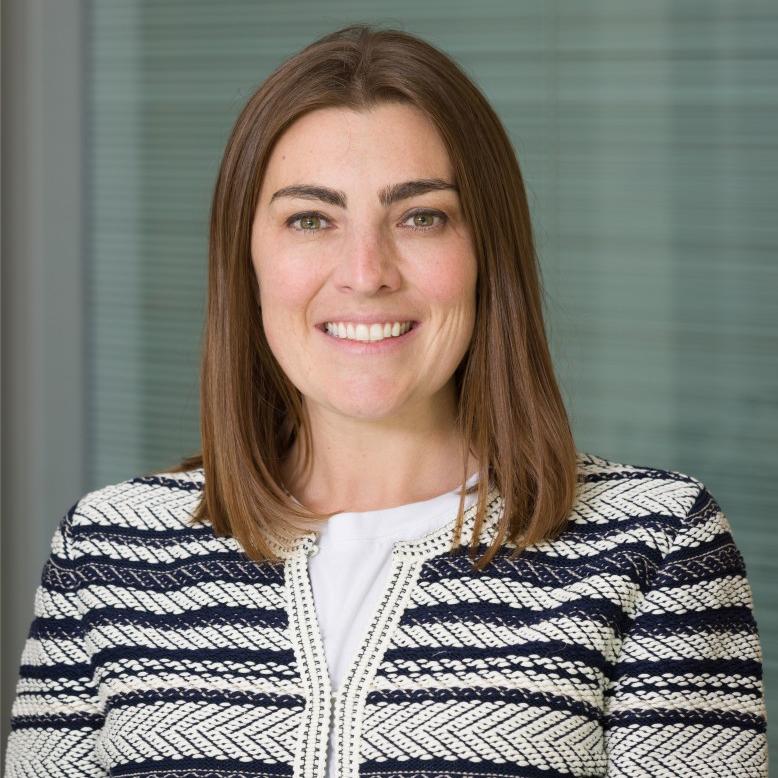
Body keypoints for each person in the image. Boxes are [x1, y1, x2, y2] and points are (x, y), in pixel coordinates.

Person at [5, 23, 767, 778]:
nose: (365, 272)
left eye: (420, 217)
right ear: (247, 261)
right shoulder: (106, 552)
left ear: (486, 254)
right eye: (311, 219)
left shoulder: (655, 547)